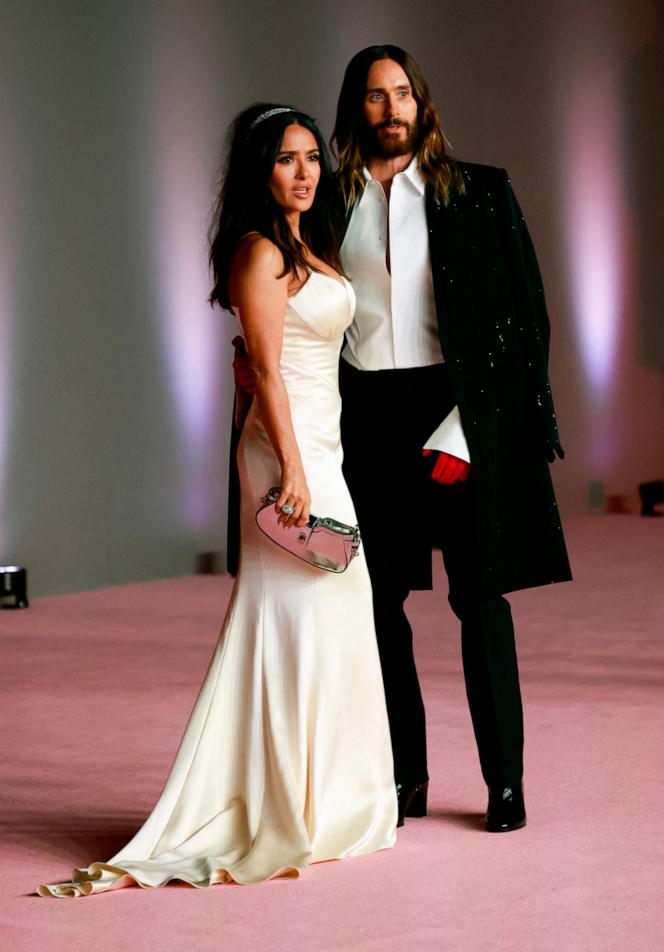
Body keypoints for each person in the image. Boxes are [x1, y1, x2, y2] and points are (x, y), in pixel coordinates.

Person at [38, 104, 396, 898]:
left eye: (310, 157)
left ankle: (328, 796)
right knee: (291, 616)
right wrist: (294, 473)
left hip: (320, 446)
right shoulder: (257, 252)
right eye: (285, 159)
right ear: (256, 171)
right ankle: (280, 804)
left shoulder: (306, 246)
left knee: (333, 615)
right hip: (287, 454)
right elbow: (267, 373)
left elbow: (281, 358)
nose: (304, 172)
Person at [232, 47, 572, 833]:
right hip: (366, 419)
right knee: (375, 604)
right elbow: (286, 285)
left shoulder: (481, 194)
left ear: (421, 102)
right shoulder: (329, 201)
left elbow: (524, 327)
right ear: (356, 110)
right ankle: (403, 779)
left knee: (478, 600)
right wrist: (252, 356)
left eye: (401, 94)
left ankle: (505, 784)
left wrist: (466, 431)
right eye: (374, 98)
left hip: (456, 411)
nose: (390, 110)